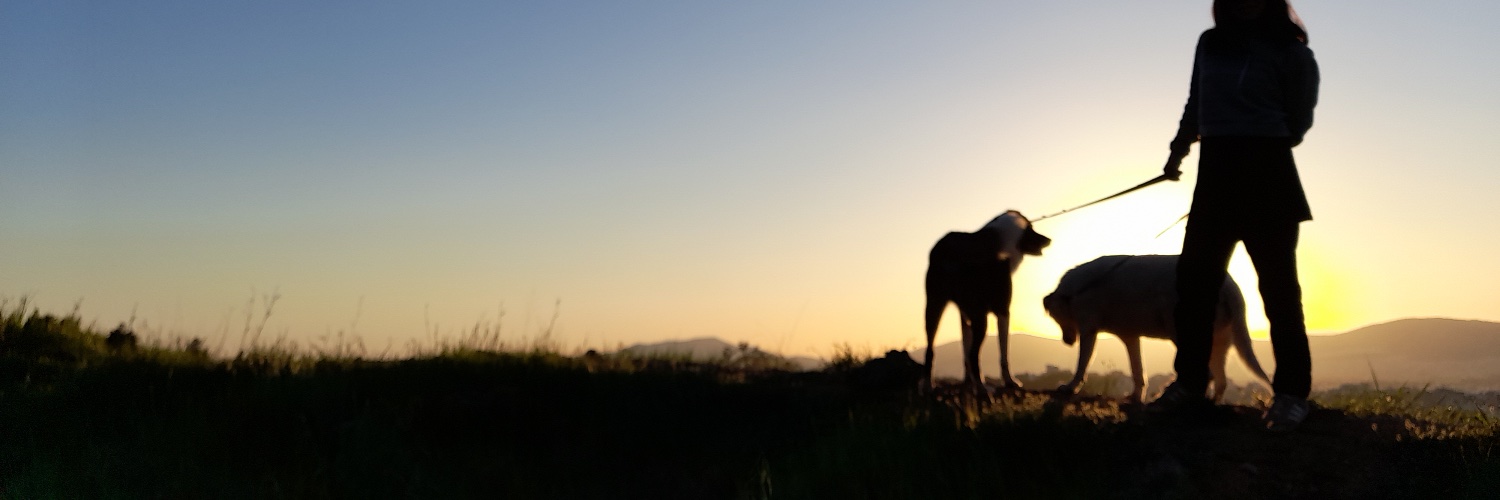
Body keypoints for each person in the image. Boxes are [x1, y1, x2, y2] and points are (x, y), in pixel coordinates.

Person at [1144, 0, 1320, 433]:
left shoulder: (1292, 51)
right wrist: (1177, 150)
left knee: (1279, 291)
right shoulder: (1210, 44)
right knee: (1194, 285)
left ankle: (1292, 395)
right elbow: (1196, 101)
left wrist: (1260, 136)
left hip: (1269, 171)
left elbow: (1299, 119)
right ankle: (1189, 384)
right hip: (1216, 172)